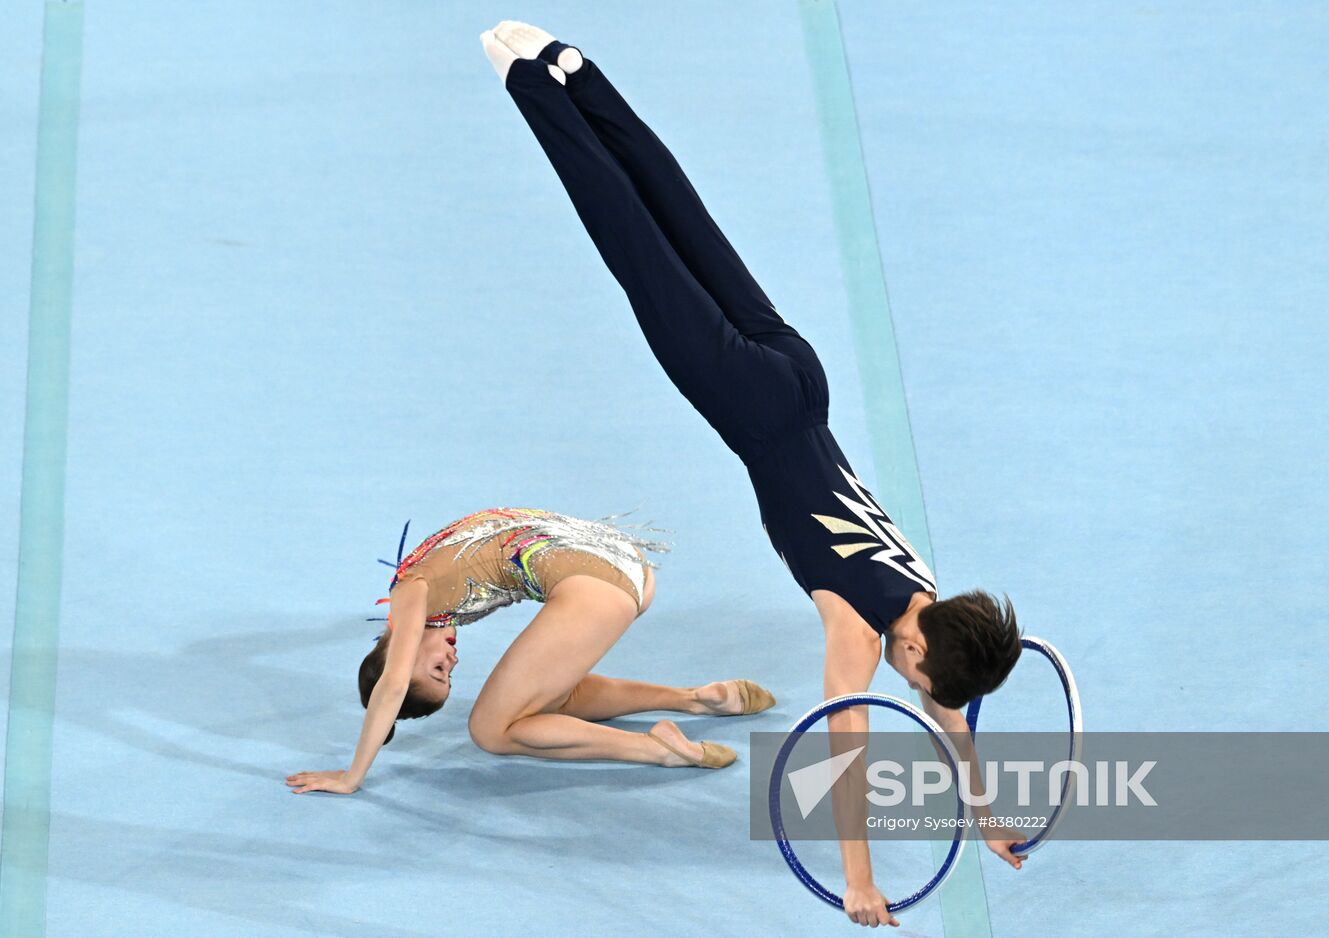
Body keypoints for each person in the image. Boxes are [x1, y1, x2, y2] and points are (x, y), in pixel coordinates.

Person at [480, 22, 1026, 927]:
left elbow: (953, 719)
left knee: (688, 224)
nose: (904, 680)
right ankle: (530, 87)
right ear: (918, 649)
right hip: (749, 406)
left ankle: (577, 72)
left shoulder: (925, 590)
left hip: (803, 377)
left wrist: (986, 816)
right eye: (914, 678)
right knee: (636, 248)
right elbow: (847, 753)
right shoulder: (856, 627)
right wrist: (858, 879)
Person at [286, 508, 777, 796]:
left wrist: (353, 775)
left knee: (489, 730)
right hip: (627, 568)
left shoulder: (408, 595)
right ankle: (700, 699)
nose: (452, 661)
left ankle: (658, 750)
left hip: (598, 585)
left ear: (396, 654)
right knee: (543, 698)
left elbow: (392, 686)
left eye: (436, 670)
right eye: (449, 676)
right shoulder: (426, 588)